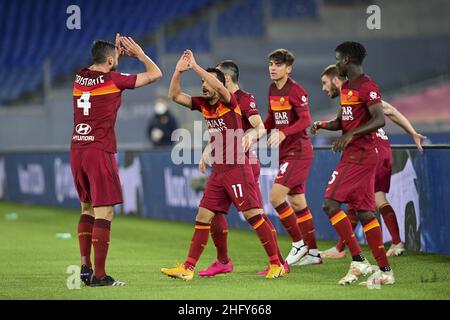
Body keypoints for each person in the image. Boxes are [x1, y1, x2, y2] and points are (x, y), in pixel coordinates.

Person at [162, 50, 285, 280]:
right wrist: (179, 71)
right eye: (201, 82)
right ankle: (188, 268)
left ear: (221, 84)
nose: (203, 86)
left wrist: (197, 67)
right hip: (219, 170)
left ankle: (276, 263)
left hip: (238, 166)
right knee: (203, 215)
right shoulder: (204, 105)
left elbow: (219, 88)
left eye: (207, 82)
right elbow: (174, 95)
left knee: (253, 215)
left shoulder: (231, 101)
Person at [71, 34, 162, 287]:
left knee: (86, 208)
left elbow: (98, 64)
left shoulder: (79, 76)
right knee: (105, 211)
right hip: (98, 150)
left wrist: (111, 52)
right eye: (117, 58)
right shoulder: (114, 79)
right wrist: (139, 54)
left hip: (77, 148)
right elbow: (156, 74)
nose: (119, 60)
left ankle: (85, 268)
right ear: (110, 61)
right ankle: (100, 276)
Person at [315, 64, 426, 259]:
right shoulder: (351, 98)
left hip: (370, 151)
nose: (324, 88)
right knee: (376, 199)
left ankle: (344, 250)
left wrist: (412, 133)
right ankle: (395, 243)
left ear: (335, 79)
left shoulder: (359, 91)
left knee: (355, 199)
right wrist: (412, 133)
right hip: (381, 150)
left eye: (325, 83)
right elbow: (388, 109)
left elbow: (386, 110)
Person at [311, 41, 394, 285]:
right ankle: (385, 271)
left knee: (330, 204)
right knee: (366, 213)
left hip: (360, 155)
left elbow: (379, 120)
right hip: (355, 154)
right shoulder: (346, 87)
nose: (336, 64)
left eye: (338, 59)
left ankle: (358, 259)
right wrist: (323, 125)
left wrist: (351, 135)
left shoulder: (367, 86)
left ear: (347, 60)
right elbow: (342, 120)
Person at [197, 60, 288, 277]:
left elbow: (260, 127)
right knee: (215, 211)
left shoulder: (244, 99)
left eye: (215, 77)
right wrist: (208, 150)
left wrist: (250, 135)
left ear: (226, 79)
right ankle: (222, 261)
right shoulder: (218, 102)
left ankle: (278, 262)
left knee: (254, 215)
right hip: (225, 164)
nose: (210, 81)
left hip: (243, 163)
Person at [264, 49, 320, 266]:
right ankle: (313, 253)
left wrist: (284, 132)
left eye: (277, 64)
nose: (272, 68)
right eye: (270, 64)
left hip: (298, 152)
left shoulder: (296, 90)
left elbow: (306, 120)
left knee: (276, 198)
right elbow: (271, 118)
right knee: (297, 203)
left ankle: (298, 243)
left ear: (288, 68)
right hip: (285, 152)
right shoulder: (271, 89)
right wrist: (257, 132)